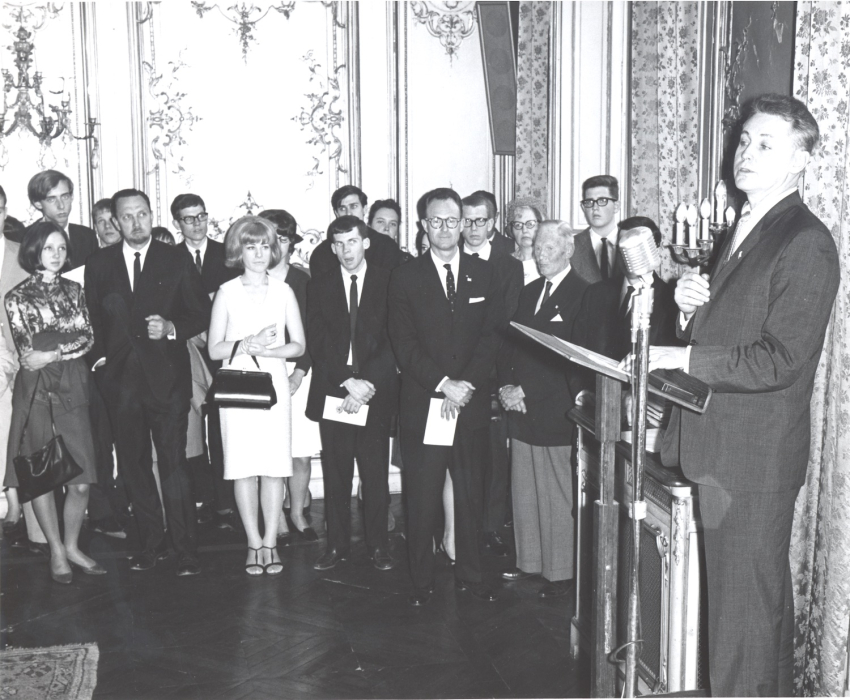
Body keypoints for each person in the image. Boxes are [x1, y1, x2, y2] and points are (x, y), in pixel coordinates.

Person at [650, 94, 840, 696]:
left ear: (802, 159)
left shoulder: (805, 240)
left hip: (753, 460)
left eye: (766, 144)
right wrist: (686, 312)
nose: (746, 153)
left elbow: (782, 359)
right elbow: (729, 328)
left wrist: (684, 355)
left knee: (744, 623)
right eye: (744, 141)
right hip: (724, 450)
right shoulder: (743, 225)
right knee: (749, 618)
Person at [85, 188, 211, 577]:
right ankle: (149, 545)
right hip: (120, 386)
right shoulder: (100, 262)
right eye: (127, 216)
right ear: (115, 221)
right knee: (135, 467)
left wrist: (173, 327)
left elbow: (201, 313)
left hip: (168, 382)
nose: (136, 223)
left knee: (174, 466)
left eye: (142, 214)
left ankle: (185, 549)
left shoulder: (175, 259)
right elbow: (90, 319)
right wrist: (101, 363)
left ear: (152, 215)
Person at [388, 187, 504, 606]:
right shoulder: (405, 276)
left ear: (463, 224)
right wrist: (443, 384)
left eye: (451, 220)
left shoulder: (484, 273)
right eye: (435, 221)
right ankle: (421, 583)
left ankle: (471, 575)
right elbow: (404, 344)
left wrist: (465, 385)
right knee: (421, 498)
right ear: (423, 226)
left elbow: (490, 337)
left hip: (469, 405)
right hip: (426, 404)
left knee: (470, 494)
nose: (444, 228)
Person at [4, 221, 105, 583]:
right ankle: (57, 551)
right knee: (43, 475)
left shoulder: (75, 289)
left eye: (61, 248)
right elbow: (27, 349)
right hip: (37, 389)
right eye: (49, 248)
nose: (57, 255)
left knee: (81, 480)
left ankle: (73, 545)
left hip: (72, 385)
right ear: (34, 251)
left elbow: (88, 338)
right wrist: (60, 345)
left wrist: (54, 350)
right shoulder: (16, 297)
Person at [208, 216, 305, 576]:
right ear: (239, 250)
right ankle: (252, 543)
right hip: (237, 386)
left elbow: (299, 344)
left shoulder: (284, 291)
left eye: (265, 245)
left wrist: (270, 353)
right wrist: (246, 345)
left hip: (275, 384)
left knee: (274, 468)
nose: (259, 253)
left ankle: (271, 542)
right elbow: (215, 349)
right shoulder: (227, 292)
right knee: (243, 468)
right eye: (251, 246)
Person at [497, 221, 589, 598]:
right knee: (525, 491)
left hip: (553, 409)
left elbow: (573, 358)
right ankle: (530, 562)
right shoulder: (529, 290)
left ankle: (561, 572)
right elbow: (511, 344)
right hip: (518, 407)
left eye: (549, 246)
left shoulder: (584, 294)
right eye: (537, 246)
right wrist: (505, 385)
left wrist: (526, 389)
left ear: (568, 249)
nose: (540, 252)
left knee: (555, 493)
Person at [307, 216, 399, 571]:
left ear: (366, 243)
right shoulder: (320, 285)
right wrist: (348, 381)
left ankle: (379, 547)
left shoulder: (389, 282)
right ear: (332, 247)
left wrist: (365, 385)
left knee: (376, 475)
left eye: (352, 242)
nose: (346, 250)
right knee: (336, 473)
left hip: (374, 392)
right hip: (335, 389)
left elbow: (394, 339)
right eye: (339, 243)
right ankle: (337, 547)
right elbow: (318, 340)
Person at [456, 192, 523, 559]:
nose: (472, 228)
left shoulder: (507, 265)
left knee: (495, 458)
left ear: (493, 222)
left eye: (480, 221)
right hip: (455, 377)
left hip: (494, 373)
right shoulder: (450, 257)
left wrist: (488, 374)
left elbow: (505, 325)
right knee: (462, 456)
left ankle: (491, 528)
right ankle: (458, 528)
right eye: (466, 220)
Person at [172, 193, 240, 531]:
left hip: (224, 352)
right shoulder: (168, 258)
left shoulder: (225, 255)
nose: (197, 223)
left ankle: (226, 502)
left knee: (223, 428)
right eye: (189, 218)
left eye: (201, 216)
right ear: (177, 223)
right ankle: (201, 496)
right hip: (187, 352)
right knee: (193, 429)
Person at [259, 209, 320, 543]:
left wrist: (299, 373)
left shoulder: (304, 281)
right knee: (269, 451)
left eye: (282, 239)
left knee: (300, 452)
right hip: (261, 374)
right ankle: (275, 521)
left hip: (299, 372)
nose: (275, 246)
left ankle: (296, 513)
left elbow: (314, 333)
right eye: (270, 238)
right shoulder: (251, 279)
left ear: (291, 242)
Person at [0, 187, 47, 551]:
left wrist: (18, 360)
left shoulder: (21, 256)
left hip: (17, 361)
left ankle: (20, 508)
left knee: (20, 438)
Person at [573, 216, 681, 361]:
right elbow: (577, 353)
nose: (627, 255)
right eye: (623, 247)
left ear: (654, 248)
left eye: (635, 247)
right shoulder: (595, 293)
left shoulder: (671, 301)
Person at [85, 199, 128, 539]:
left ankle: (129, 504)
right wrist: (99, 359)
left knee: (132, 440)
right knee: (100, 442)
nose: (108, 226)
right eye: (100, 222)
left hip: (134, 369)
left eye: (111, 219)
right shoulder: (90, 265)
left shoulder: (139, 261)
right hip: (98, 368)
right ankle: (102, 513)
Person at [309, 186, 404, 275]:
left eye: (353, 206)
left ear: (364, 209)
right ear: (336, 213)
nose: (348, 213)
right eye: (342, 209)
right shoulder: (322, 253)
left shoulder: (386, 246)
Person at [27, 170, 98, 269]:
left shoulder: (87, 236)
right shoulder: (26, 237)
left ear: (72, 197)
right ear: (38, 203)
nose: (61, 206)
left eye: (65, 197)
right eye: (51, 199)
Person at [571, 175, 621, 284]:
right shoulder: (571, 246)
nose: (595, 207)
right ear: (583, 208)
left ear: (616, 206)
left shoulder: (631, 241)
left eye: (602, 200)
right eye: (589, 202)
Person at [507, 197, 544, 286]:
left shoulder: (549, 261)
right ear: (512, 229)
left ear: (540, 226)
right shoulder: (505, 263)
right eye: (518, 225)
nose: (524, 230)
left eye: (530, 224)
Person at [470, 190, 515, 255]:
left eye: (481, 219)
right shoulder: (458, 247)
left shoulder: (512, 248)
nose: (474, 226)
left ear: (495, 217)